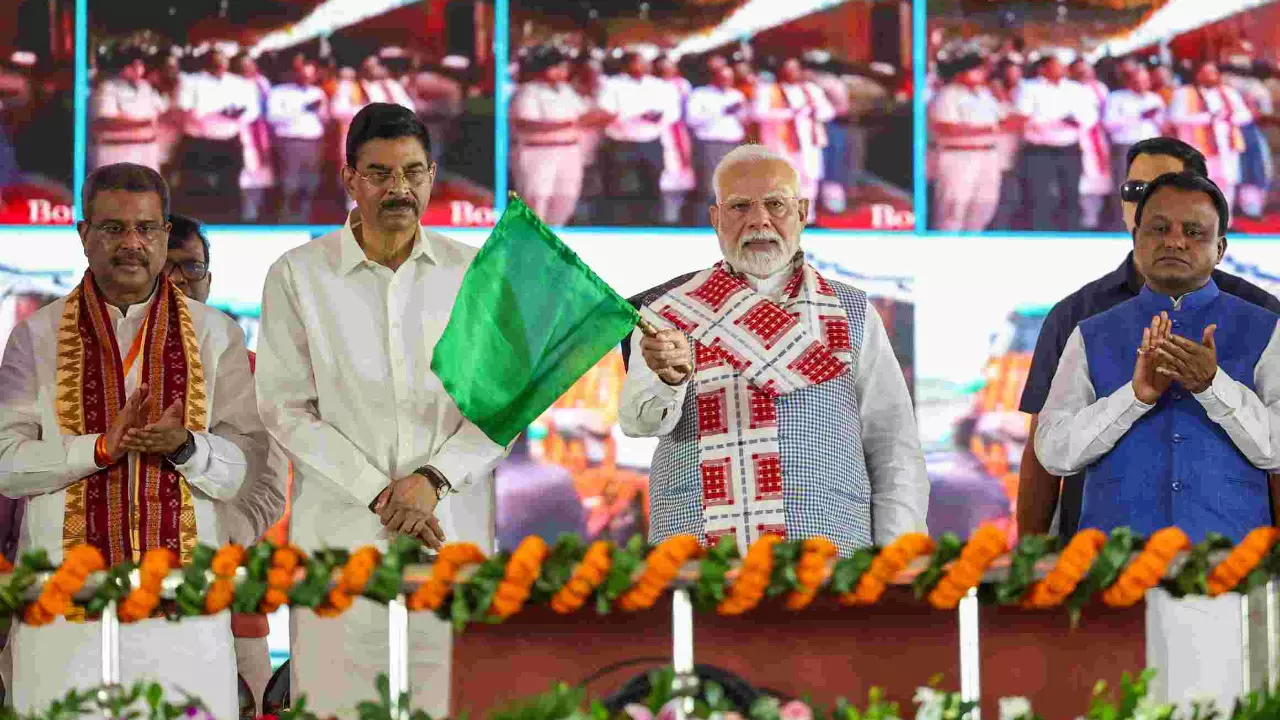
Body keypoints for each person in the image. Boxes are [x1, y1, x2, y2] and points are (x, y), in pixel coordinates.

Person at [254, 103, 509, 716]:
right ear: (349, 178)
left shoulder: (474, 273)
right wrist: (381, 494)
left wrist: (432, 481)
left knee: (454, 705)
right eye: (379, 174)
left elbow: (502, 408)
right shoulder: (298, 275)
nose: (399, 189)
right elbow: (286, 409)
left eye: (413, 172)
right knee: (337, 706)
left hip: (453, 541)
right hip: (339, 546)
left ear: (432, 175)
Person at [0, 163, 268, 718]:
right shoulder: (36, 336)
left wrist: (186, 446)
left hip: (185, 625)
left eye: (145, 228)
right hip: (64, 622)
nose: (131, 243)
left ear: (165, 234)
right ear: (83, 234)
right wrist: (97, 449)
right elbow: (5, 464)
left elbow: (244, 471)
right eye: (113, 228)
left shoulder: (217, 336)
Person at [618, 144, 929, 556]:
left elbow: (893, 446)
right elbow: (637, 423)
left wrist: (896, 560)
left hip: (828, 560)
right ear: (716, 219)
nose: (758, 221)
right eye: (739, 207)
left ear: (802, 212)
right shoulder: (669, 310)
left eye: (775, 205)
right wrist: (667, 380)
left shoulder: (852, 311)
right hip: (701, 562)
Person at [1016, 137, 1280, 539]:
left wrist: (1213, 387)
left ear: (1220, 247)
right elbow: (1050, 452)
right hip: (1110, 564)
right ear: (1137, 236)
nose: (1175, 241)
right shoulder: (1085, 328)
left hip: (1235, 563)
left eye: (1193, 231)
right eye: (1159, 228)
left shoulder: (1266, 325)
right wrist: (1134, 398)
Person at [166, 213, 287, 712]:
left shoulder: (252, 371)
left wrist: (208, 546)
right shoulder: (105, 367)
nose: (178, 280)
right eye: (166, 267)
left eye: (191, 268)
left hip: (233, 607)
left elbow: (268, 492)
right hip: (122, 601)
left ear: (209, 281)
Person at [1012, 55, 1097, 231]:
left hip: (1069, 148)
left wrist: (1074, 121)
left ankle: (1070, 233)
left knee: (1070, 194)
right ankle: (1038, 234)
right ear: (1043, 69)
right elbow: (1024, 118)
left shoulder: (1075, 89)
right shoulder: (1029, 88)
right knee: (1038, 195)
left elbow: (1089, 117)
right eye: (1056, 66)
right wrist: (1056, 122)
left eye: (1062, 65)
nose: (1061, 69)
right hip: (1039, 149)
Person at [175, 49, 260, 222]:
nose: (220, 66)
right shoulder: (191, 82)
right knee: (196, 189)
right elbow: (185, 110)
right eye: (216, 62)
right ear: (207, 63)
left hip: (229, 141)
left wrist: (235, 115)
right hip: (200, 142)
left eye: (223, 62)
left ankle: (228, 225)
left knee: (230, 187)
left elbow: (252, 111)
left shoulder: (239, 83)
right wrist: (217, 113)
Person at [598, 52, 680, 225]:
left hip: (651, 143)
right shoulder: (612, 85)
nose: (642, 66)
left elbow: (673, 112)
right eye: (637, 63)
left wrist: (658, 117)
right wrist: (636, 116)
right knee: (621, 190)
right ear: (626, 65)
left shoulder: (660, 86)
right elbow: (606, 112)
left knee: (652, 188)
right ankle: (622, 228)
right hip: (622, 144)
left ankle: (651, 227)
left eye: (644, 63)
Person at [509, 47, 588, 226]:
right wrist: (567, 124)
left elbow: (583, 116)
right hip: (538, 152)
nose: (562, 72)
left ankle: (554, 237)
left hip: (569, 151)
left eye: (564, 68)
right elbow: (525, 123)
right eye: (557, 67)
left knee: (566, 199)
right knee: (536, 200)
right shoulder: (528, 91)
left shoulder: (567, 90)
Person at [928, 53, 1007, 231]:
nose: (982, 74)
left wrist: (1000, 95)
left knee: (984, 207)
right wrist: (988, 129)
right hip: (959, 156)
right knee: (953, 209)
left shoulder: (985, 94)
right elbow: (945, 127)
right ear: (961, 73)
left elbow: (1004, 119)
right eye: (977, 70)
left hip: (987, 155)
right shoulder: (947, 95)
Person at [753, 58, 834, 223]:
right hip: (781, 144)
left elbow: (829, 112)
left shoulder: (811, 89)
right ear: (780, 71)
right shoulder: (768, 90)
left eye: (795, 69)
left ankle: (807, 218)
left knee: (809, 178)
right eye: (788, 69)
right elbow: (758, 113)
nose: (792, 72)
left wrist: (816, 111)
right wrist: (789, 113)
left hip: (808, 143)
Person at [1169, 61, 1252, 215]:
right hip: (1197, 147)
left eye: (1213, 72)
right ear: (1197, 75)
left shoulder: (1228, 92)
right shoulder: (1184, 93)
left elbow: (1246, 115)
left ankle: (1225, 221)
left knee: (1226, 183)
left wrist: (1229, 118)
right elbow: (1175, 118)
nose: (1209, 76)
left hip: (1226, 146)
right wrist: (1207, 118)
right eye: (1205, 72)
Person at [266, 61, 329, 223]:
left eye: (310, 75)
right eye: (303, 74)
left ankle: (304, 220)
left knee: (309, 183)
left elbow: (324, 118)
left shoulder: (318, 92)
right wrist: (302, 109)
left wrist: (320, 111)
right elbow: (272, 117)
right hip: (290, 141)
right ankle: (284, 222)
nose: (306, 78)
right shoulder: (279, 92)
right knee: (288, 184)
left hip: (313, 142)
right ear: (295, 73)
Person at [89, 49, 168, 172]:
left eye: (140, 65)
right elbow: (106, 121)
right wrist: (143, 124)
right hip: (117, 154)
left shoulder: (145, 87)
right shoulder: (107, 88)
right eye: (133, 66)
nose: (138, 70)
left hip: (145, 153)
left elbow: (162, 113)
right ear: (123, 67)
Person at [686, 64, 748, 219]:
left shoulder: (736, 95)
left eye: (729, 78)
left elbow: (744, 120)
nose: (727, 81)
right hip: (710, 143)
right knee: (709, 186)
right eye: (723, 77)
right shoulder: (700, 94)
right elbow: (692, 119)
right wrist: (721, 111)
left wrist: (742, 113)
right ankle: (704, 223)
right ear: (714, 77)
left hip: (733, 143)